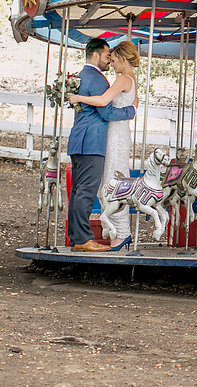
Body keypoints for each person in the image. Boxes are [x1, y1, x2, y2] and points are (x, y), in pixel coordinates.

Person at [64, 38, 135, 252]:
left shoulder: (79, 76)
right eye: (106, 56)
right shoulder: (98, 79)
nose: (108, 61)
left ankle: (77, 236)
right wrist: (130, 111)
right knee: (86, 191)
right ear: (95, 55)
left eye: (112, 58)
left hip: (78, 139)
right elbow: (106, 110)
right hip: (93, 142)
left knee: (78, 191)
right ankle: (84, 238)